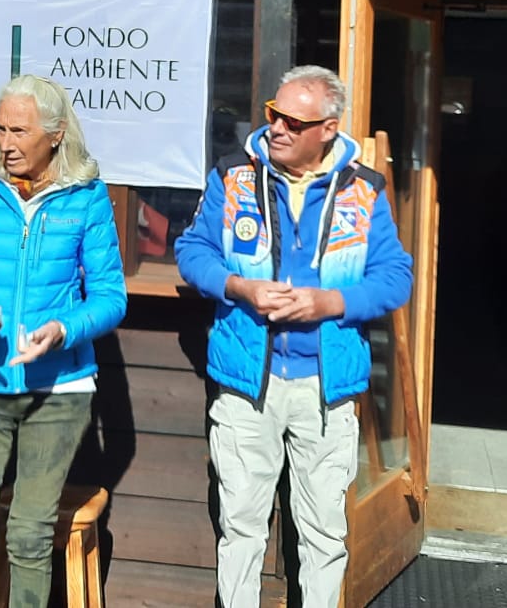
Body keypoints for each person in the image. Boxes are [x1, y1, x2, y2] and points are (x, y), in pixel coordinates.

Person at [175, 65, 413, 608]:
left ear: (328, 129)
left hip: (326, 389)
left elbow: (395, 277)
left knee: (324, 534)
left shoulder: (364, 190)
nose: (278, 128)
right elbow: (192, 250)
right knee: (240, 530)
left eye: (294, 121)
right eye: (273, 114)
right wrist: (239, 287)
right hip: (245, 383)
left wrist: (330, 303)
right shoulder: (233, 175)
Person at [0, 74, 128, 608]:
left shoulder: (86, 195)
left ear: (56, 135)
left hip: (58, 392)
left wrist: (63, 330)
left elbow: (110, 297)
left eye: (20, 132)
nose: (7, 143)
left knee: (29, 538)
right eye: (1, 129)